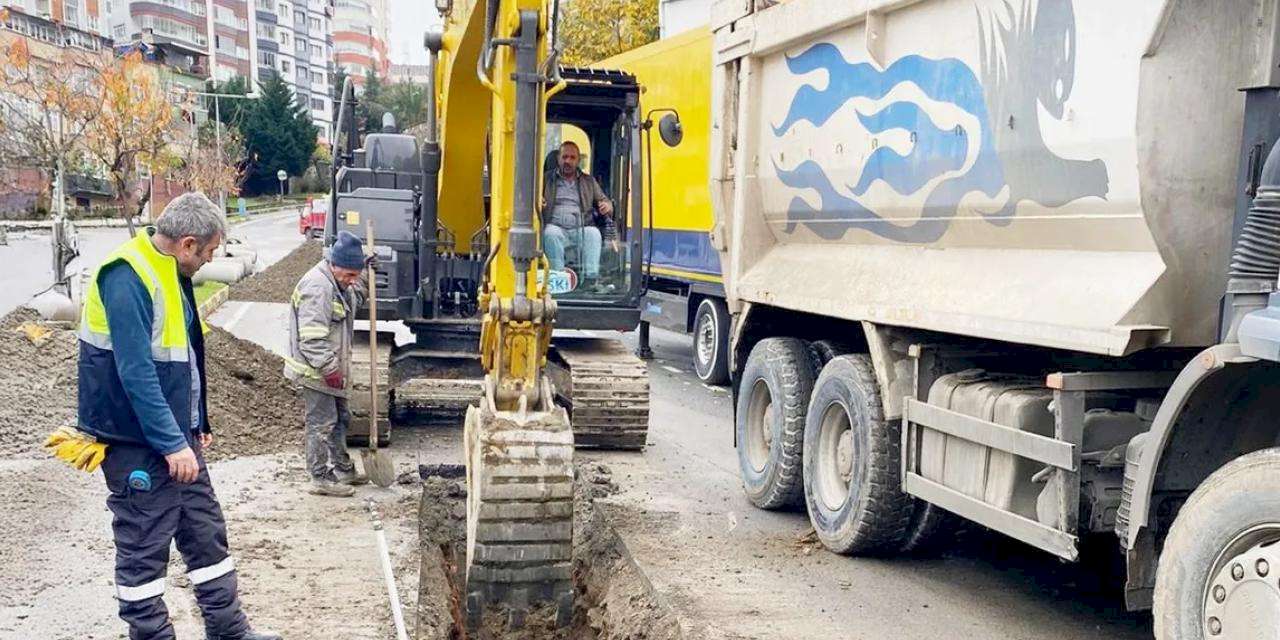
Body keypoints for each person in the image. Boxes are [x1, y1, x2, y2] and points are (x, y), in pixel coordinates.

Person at [73, 192, 281, 640]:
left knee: (205, 536)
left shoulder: (170, 271)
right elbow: (136, 372)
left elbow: (184, 355)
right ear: (187, 244)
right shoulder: (128, 275)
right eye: (207, 253)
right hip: (135, 444)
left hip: (176, 436)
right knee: (143, 548)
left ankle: (229, 631)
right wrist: (170, 443)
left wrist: (196, 423)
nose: (207, 262)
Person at [284, 230, 372, 497]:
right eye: (348, 275)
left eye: (354, 275)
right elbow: (310, 339)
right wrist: (329, 369)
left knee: (340, 419)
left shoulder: (340, 283)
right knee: (322, 423)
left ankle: (343, 468)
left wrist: (366, 273)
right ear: (334, 265)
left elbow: (357, 296)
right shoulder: (318, 288)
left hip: (330, 369)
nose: (351, 281)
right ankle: (320, 477)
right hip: (315, 371)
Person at [541, 141, 617, 284]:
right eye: (564, 157)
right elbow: (531, 199)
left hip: (580, 228)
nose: (567, 161)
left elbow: (605, 201)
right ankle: (558, 279)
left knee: (593, 233)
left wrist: (607, 206)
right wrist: (538, 202)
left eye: (572, 158)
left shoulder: (588, 181)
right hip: (555, 226)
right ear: (558, 158)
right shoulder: (546, 179)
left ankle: (590, 279)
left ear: (578, 160)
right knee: (550, 233)